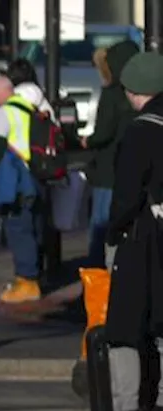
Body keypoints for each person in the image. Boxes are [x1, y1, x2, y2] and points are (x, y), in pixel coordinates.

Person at [79, 52, 163, 411]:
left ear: (135, 92)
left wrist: (113, 233)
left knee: (124, 332)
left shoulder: (140, 131)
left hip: (141, 241)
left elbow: (127, 197)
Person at [0, 74, 44, 304]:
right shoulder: (30, 109)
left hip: (15, 179)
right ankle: (33, 277)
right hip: (36, 176)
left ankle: (27, 282)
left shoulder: (3, 113)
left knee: (18, 229)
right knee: (32, 227)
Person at [82, 41, 141, 269]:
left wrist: (89, 140)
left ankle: (97, 279)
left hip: (108, 169)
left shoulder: (111, 94)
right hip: (135, 167)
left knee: (101, 226)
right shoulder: (143, 93)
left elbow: (104, 132)